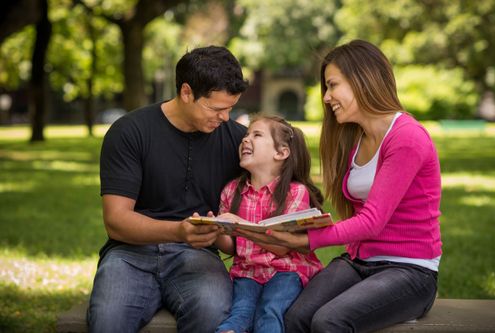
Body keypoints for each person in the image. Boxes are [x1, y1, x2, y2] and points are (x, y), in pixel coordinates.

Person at [236, 40, 442, 332]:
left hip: (410, 271)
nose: (326, 97)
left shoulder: (407, 137)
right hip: (359, 261)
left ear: (362, 79)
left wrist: (307, 241)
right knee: (295, 317)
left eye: (333, 85)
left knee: (328, 321)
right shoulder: (354, 138)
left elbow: (371, 222)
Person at [87, 46, 249, 333]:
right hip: (129, 254)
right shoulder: (130, 132)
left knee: (212, 314)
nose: (225, 118)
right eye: (217, 108)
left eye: (231, 108)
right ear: (186, 92)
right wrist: (178, 231)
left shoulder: (238, 141)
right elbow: (116, 221)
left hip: (198, 255)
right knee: (108, 320)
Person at [213, 115, 324, 333]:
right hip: (247, 273)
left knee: (269, 311)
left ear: (281, 153)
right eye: (246, 134)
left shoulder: (295, 192)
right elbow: (231, 246)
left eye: (256, 134)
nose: (245, 140)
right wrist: (216, 230)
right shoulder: (231, 191)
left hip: (287, 272)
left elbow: (283, 246)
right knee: (239, 314)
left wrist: (239, 224)